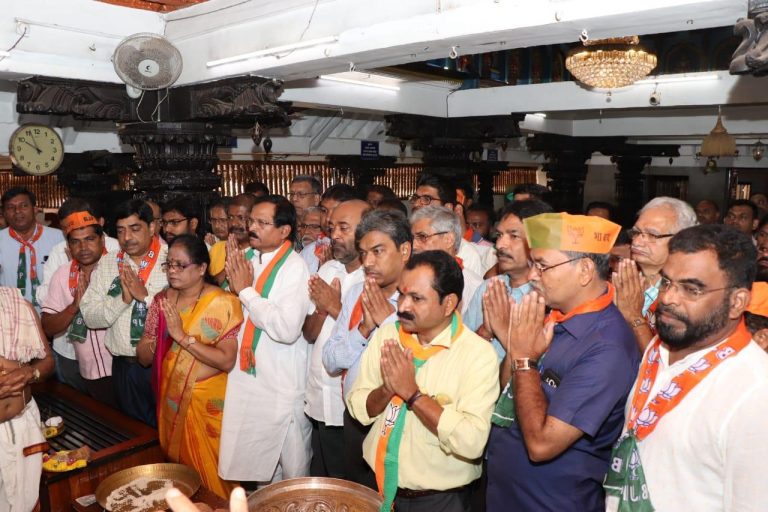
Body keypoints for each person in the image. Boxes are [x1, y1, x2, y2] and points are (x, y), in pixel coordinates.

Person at [605, 224, 768, 511]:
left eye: (692, 289)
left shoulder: (755, 391)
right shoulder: (659, 348)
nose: (667, 299)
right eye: (667, 282)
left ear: (736, 302)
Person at [486, 212, 640, 512]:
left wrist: (524, 360)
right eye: (533, 265)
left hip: (552, 503)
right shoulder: (550, 316)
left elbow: (542, 445)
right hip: (508, 496)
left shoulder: (607, 346)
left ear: (584, 271)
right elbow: (508, 390)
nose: (532, 276)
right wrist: (514, 343)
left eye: (542, 266)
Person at [347, 251, 499, 512]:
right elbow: (358, 407)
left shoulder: (477, 355)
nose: (403, 307)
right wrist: (388, 389)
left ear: (449, 303)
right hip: (377, 486)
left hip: (439, 500)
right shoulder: (389, 333)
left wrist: (413, 395)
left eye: (416, 298)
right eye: (402, 294)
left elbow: (472, 442)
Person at [136, 235, 243, 498]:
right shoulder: (162, 301)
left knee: (217, 476)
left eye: (180, 266)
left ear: (202, 268)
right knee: (182, 478)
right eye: (168, 264)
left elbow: (227, 360)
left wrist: (181, 337)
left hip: (209, 406)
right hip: (171, 398)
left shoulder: (223, 303)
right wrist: (157, 337)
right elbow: (143, 356)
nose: (172, 271)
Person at [218, 195, 312, 485]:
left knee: (292, 474)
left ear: (284, 231)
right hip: (248, 382)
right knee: (261, 469)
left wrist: (245, 292)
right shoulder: (247, 258)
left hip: (281, 386)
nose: (252, 227)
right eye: (251, 221)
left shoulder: (294, 267)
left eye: (262, 222)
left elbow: (286, 329)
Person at [322, 209, 412, 489]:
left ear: (405, 250)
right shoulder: (356, 293)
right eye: (364, 253)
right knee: (358, 495)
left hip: (402, 419)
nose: (368, 263)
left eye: (378, 251)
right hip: (357, 418)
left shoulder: (422, 297)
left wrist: (387, 320)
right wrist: (363, 329)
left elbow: (421, 362)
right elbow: (331, 360)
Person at [80, 199, 168, 426]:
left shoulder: (172, 259)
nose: (127, 237)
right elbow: (89, 316)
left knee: (171, 432)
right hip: (124, 367)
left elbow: (183, 314)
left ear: (151, 227)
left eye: (135, 228)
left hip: (165, 363)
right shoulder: (109, 263)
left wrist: (144, 296)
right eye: (120, 231)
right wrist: (123, 300)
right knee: (134, 433)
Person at [303, 199, 370, 479]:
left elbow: (371, 344)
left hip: (352, 408)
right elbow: (309, 333)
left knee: (354, 490)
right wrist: (322, 308)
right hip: (319, 398)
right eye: (332, 228)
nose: (335, 235)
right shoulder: (329, 269)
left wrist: (335, 306)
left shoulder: (375, 279)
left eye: (344, 228)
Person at [38, 198, 120, 390]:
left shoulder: (120, 263)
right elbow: (48, 326)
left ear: (102, 238)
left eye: (90, 239)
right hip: (81, 363)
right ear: (69, 245)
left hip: (122, 364)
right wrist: (74, 306)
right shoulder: (62, 273)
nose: (83, 248)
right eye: (76, 242)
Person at [465, 199, 553, 358]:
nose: (500, 245)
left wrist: (502, 329)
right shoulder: (488, 288)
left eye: (513, 236)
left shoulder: (548, 298)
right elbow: (459, 352)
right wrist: (484, 332)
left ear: (539, 242)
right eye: (499, 235)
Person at [614, 197, 697, 352]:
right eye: (637, 232)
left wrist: (634, 316)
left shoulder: (686, 295)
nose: (637, 242)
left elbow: (664, 363)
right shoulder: (623, 277)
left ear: (682, 239)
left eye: (652, 235)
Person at [0, 286, 54, 512]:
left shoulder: (16, 303)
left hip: (23, 425)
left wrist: (30, 372)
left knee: (28, 504)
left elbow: (48, 361)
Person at [410, 205, 482, 313]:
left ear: (449, 240)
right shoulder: (407, 278)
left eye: (422, 237)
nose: (414, 246)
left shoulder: (475, 288)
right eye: (412, 238)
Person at [0, 187, 64, 308]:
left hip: (53, 315)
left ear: (35, 210)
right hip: (11, 315)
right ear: (4, 213)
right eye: (10, 207)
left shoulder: (59, 238)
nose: (17, 211)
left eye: (23, 206)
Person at [410, 173, 484, 276]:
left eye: (427, 199)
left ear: (448, 208)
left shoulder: (467, 254)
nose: (417, 204)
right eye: (416, 198)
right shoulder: (407, 244)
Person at [301, 184, 359, 273]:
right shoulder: (309, 252)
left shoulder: (360, 253)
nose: (328, 218)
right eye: (324, 210)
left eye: (336, 210)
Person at [208, 194, 257, 284]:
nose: (234, 223)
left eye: (241, 218)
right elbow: (209, 286)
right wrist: (229, 264)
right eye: (230, 217)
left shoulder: (259, 253)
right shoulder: (218, 247)